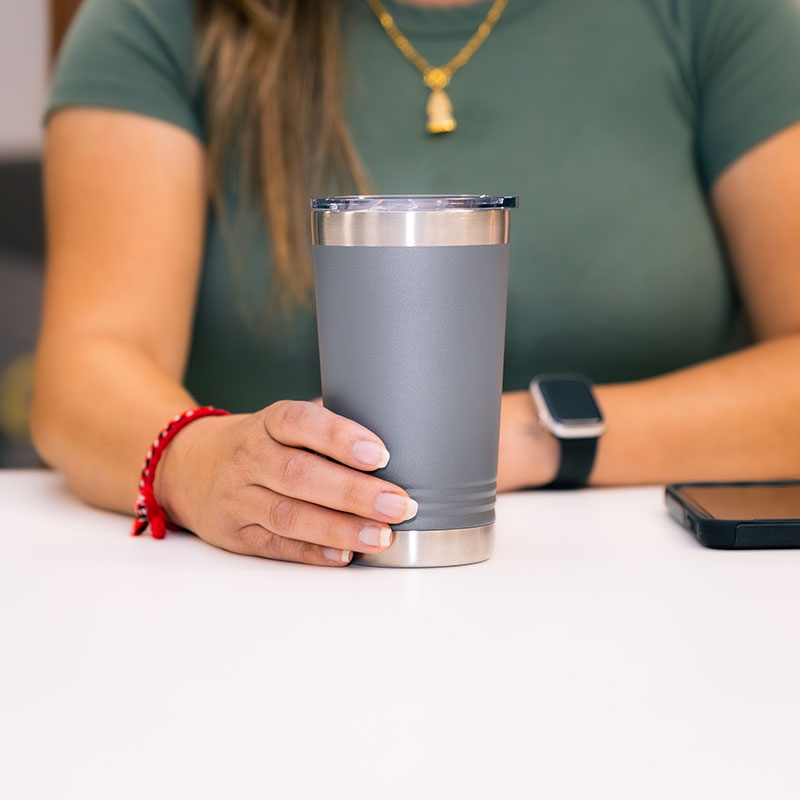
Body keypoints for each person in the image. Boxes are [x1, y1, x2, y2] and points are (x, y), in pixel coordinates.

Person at [32, 0, 800, 566]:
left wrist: (527, 437)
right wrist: (200, 464)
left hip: (645, 589)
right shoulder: (162, 16)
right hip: (272, 594)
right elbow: (86, 366)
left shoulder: (719, 13)